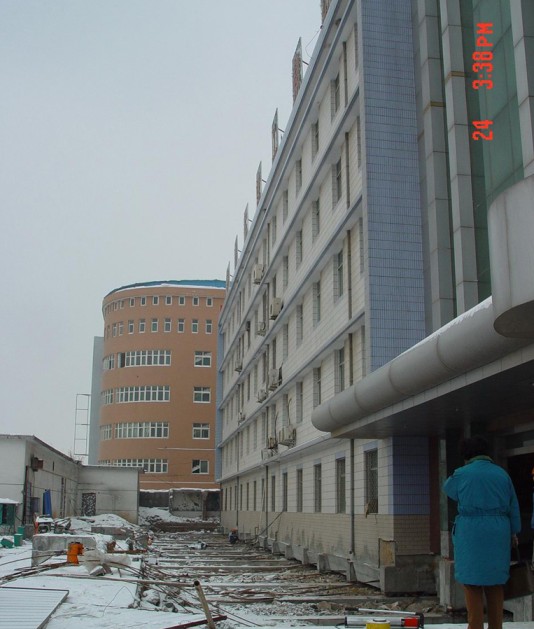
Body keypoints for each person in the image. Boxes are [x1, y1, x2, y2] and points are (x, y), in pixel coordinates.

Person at [443, 435, 521, 629]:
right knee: (495, 583)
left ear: (466, 454)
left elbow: (448, 489)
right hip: (499, 531)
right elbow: (513, 506)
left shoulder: (461, 474)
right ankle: (496, 626)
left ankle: (475, 626)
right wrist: (514, 532)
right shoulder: (502, 474)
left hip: (470, 532)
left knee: (471, 582)